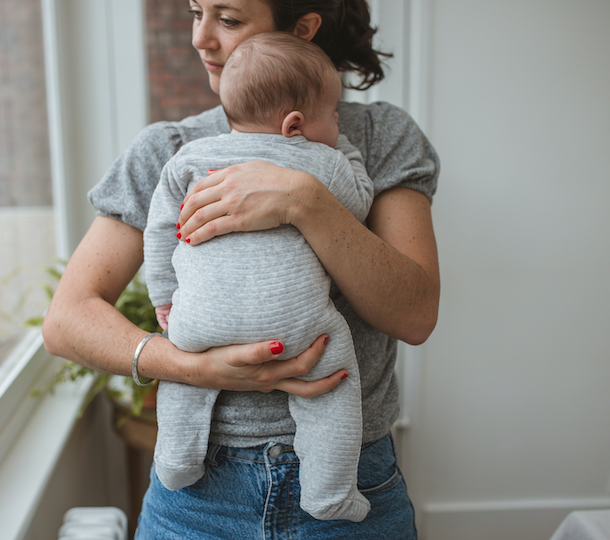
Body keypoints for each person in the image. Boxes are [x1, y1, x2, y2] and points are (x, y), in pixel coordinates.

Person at [42, 0, 440, 538]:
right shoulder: (169, 149)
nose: (200, 38)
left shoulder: (375, 136)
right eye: (195, 12)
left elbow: (414, 315)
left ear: (302, 29)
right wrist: (191, 367)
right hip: (196, 499)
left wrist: (304, 200)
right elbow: (66, 320)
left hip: (353, 480)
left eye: (227, 19)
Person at [144, 31, 374, 522]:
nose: (337, 125)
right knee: (334, 387)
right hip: (296, 326)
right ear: (295, 125)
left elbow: (160, 228)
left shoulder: (187, 158)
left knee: (184, 380)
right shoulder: (323, 161)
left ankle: (176, 461)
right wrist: (346, 154)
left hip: (200, 321)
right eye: (333, 116)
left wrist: (163, 295)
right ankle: (329, 490)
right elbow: (359, 202)